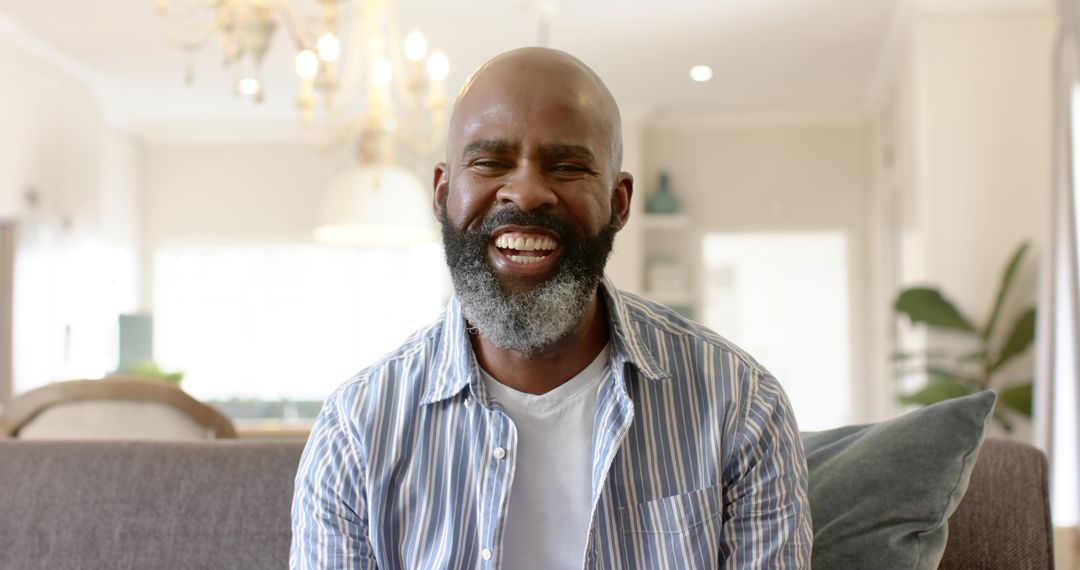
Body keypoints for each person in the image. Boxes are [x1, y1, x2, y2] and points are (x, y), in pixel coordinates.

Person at [291, 47, 812, 569]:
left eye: (566, 166)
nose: (525, 193)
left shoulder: (739, 404)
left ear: (619, 202)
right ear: (443, 193)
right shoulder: (356, 430)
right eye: (490, 162)